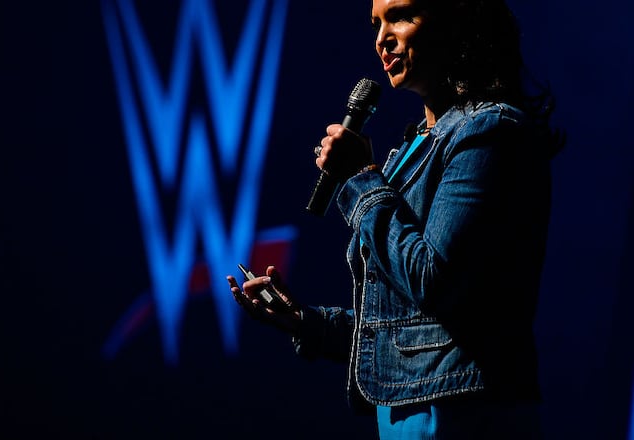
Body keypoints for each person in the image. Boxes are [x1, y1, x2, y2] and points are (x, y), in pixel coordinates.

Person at [226, 0, 563, 438]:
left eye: (400, 16)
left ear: (457, 21)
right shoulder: (415, 149)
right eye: (375, 23)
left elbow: (433, 280)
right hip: (412, 413)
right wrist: (306, 323)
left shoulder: (489, 133)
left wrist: (361, 180)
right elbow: (406, 332)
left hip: (465, 414)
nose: (381, 37)